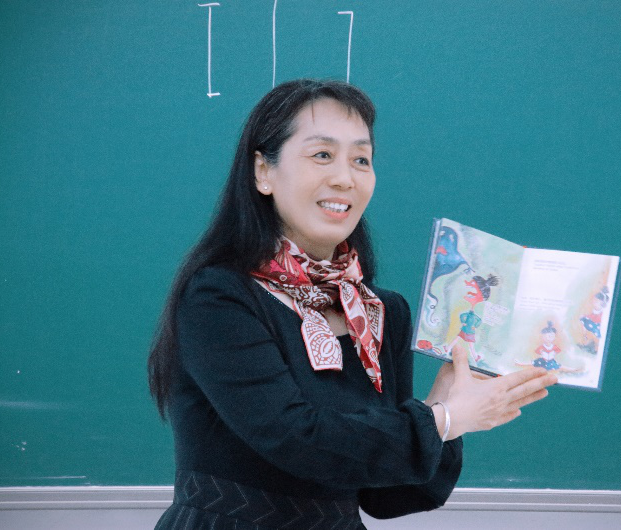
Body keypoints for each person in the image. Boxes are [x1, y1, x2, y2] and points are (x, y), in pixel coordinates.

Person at [148, 79, 557, 529]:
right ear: (263, 172)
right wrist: (442, 420)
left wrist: (445, 401)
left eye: (361, 159)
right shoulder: (219, 297)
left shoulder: (381, 313)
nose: (345, 178)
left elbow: (387, 497)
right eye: (322, 154)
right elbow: (296, 440)